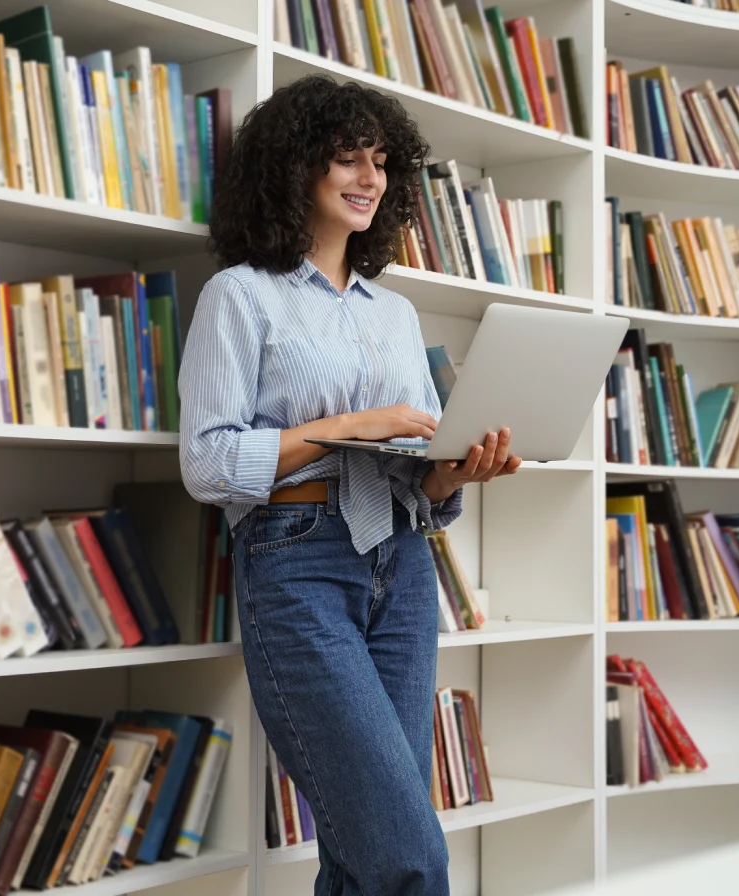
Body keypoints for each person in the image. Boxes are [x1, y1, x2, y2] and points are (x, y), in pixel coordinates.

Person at [178, 74, 521, 895]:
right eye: (346, 158)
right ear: (294, 169)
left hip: (401, 566)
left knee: (362, 851)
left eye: (380, 161)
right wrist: (347, 426)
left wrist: (456, 470)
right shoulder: (240, 296)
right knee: (408, 854)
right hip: (297, 564)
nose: (368, 178)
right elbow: (207, 463)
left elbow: (422, 476)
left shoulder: (392, 314)